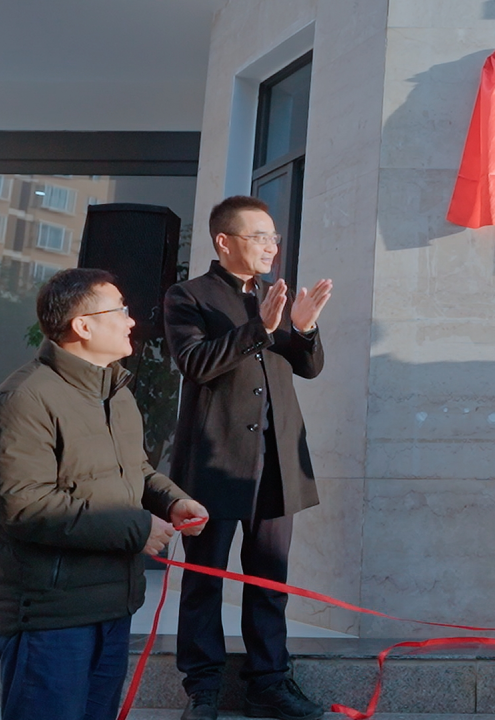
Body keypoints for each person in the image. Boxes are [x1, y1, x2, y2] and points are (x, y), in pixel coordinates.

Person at [0, 268, 209, 720]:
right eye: (119, 310)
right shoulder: (24, 400)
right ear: (82, 326)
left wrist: (171, 501)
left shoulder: (115, 393)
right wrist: (138, 528)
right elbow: (26, 506)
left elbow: (134, 470)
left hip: (113, 606)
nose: (131, 321)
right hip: (52, 618)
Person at [165, 195, 332, 720]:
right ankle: (203, 689)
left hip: (277, 460)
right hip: (215, 462)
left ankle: (269, 683)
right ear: (224, 241)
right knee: (204, 581)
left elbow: (307, 367)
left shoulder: (272, 294)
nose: (271, 247)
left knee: (269, 582)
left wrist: (302, 329)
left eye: (273, 237)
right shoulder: (187, 296)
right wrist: (260, 327)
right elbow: (196, 363)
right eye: (259, 236)